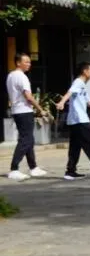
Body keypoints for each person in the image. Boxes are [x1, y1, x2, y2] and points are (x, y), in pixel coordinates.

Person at [6, 52, 49, 181]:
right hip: (24, 111)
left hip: (17, 111)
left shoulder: (10, 76)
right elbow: (28, 96)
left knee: (29, 139)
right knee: (26, 139)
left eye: (29, 62)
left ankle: (33, 167)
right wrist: (40, 109)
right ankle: (14, 169)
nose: (29, 64)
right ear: (18, 62)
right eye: (26, 62)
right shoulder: (22, 77)